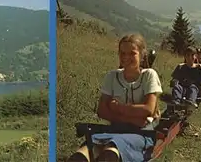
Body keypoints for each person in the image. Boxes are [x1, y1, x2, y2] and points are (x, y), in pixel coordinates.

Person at [67, 34, 163, 162]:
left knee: (110, 153)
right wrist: (131, 119)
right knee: (81, 155)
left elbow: (148, 109)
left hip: (140, 133)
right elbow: (101, 110)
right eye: (122, 53)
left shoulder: (149, 75)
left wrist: (118, 107)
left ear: (142, 54)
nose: (126, 57)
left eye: (132, 53)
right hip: (114, 128)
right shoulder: (112, 76)